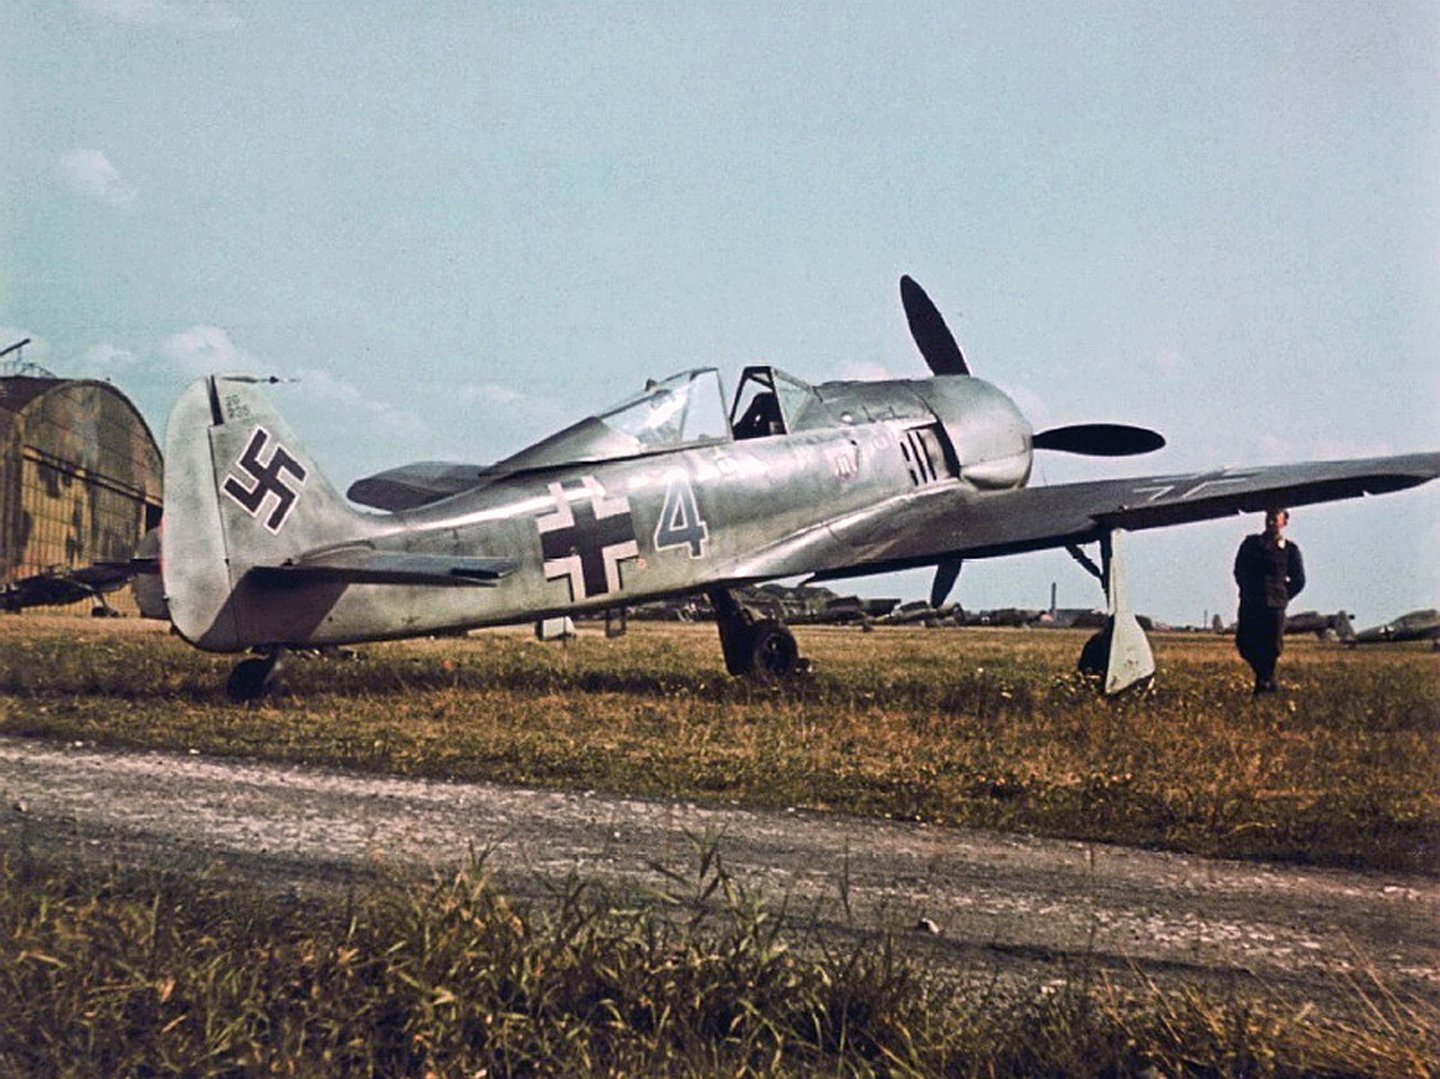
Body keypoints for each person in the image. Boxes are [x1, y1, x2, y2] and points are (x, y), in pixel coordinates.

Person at [1233, 508, 1306, 693]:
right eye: (1268, 518)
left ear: (1284, 522)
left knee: (1272, 647)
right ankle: (1267, 679)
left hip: (1275, 606)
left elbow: (1299, 580)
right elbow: (1239, 570)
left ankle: (1264, 682)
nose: (1271, 522)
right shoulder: (1251, 544)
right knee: (1245, 644)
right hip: (1251, 602)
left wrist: (1282, 595)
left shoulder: (1290, 549)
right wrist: (1248, 590)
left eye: (1275, 519)